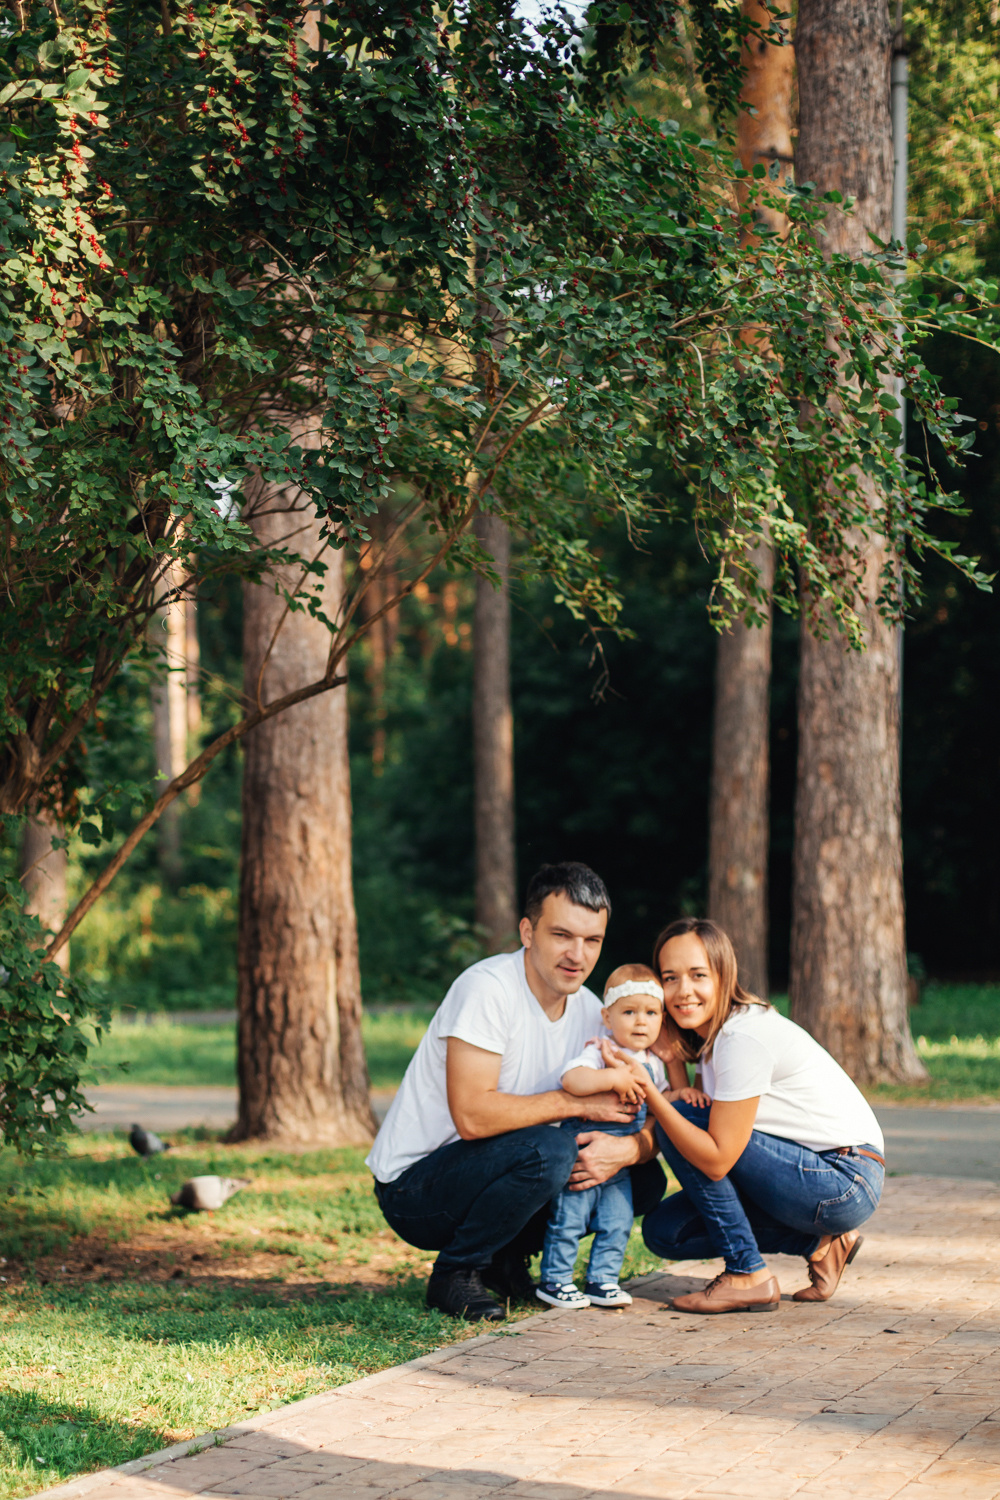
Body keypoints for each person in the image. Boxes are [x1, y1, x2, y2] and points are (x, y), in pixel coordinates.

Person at [365, 862, 667, 1321]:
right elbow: (472, 1117)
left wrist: (629, 1152)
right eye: (561, 935)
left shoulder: (596, 1012)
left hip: (504, 1168)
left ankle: (506, 1262)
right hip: (418, 1188)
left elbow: (646, 1107)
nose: (577, 955)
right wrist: (576, 1102)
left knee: (641, 1180)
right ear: (528, 931)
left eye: (592, 940)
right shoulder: (487, 990)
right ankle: (456, 1273)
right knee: (549, 1150)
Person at [627, 917, 885, 1315]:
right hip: (816, 1178)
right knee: (665, 1232)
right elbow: (693, 1108)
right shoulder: (715, 1040)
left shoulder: (741, 1037)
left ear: (723, 974)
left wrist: (651, 1094)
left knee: (679, 1120)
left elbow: (715, 1158)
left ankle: (747, 1274)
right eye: (670, 978)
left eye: (698, 974)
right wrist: (671, 1059)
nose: (683, 991)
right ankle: (822, 1245)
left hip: (844, 1178)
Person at [537, 963, 706, 1310]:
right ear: (608, 1017)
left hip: (620, 1166)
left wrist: (681, 1094)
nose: (641, 1021)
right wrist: (614, 1080)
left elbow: (657, 1104)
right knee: (570, 1218)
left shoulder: (653, 1065)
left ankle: (603, 1279)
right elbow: (573, 1080)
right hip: (583, 1150)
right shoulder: (601, 1050)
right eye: (629, 1012)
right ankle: (555, 1279)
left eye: (650, 1013)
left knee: (617, 1221)